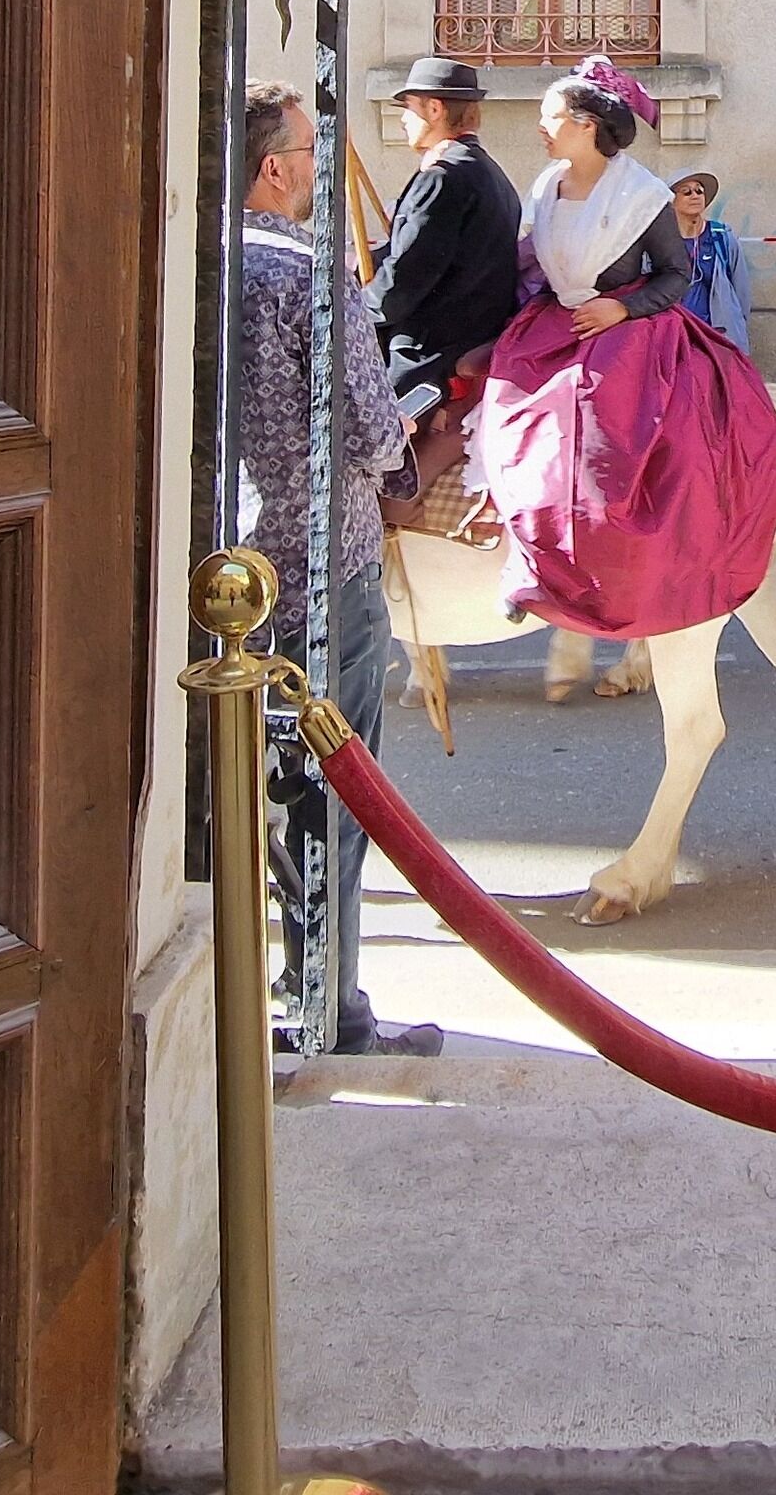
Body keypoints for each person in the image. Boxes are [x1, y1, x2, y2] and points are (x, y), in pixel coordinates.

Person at [229, 83, 443, 1060]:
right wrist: (403, 443)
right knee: (337, 787)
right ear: (274, 168)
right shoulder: (309, 273)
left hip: (228, 578)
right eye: (313, 154)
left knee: (232, 788)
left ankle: (238, 992)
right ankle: (327, 1006)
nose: (322, 170)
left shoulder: (205, 263)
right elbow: (364, 425)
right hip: (326, 566)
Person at [473, 61, 776, 642]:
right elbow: (533, 259)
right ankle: (525, 556)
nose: (541, 127)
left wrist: (621, 309)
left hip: (623, 328)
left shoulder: (644, 196)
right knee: (499, 411)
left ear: (587, 125)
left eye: (551, 116)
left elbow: (675, 274)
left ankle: (615, 573)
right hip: (552, 322)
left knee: (595, 433)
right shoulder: (546, 187)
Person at [371, 54, 523, 404]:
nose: (404, 121)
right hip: (459, 341)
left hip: (427, 357)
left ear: (435, 109)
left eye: (408, 109)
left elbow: (404, 282)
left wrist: (351, 308)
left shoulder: (443, 178)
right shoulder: (489, 173)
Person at [671, 166, 754, 351]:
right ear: (671, 200)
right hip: (676, 338)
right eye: (687, 192)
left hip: (718, 339)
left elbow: (741, 291)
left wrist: (736, 327)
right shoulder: (661, 241)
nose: (695, 195)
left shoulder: (721, 236)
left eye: (699, 190)